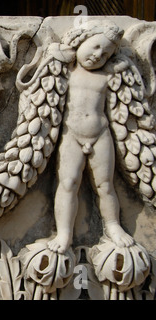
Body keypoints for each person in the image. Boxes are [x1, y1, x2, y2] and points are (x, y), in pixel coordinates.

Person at [47, 22, 135, 254]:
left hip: (100, 134)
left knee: (105, 185)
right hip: (71, 134)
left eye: (105, 53)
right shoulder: (67, 71)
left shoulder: (108, 75)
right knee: (68, 183)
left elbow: (124, 67)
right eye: (95, 47)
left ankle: (113, 226)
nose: (98, 55)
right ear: (81, 42)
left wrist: (122, 62)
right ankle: (64, 233)